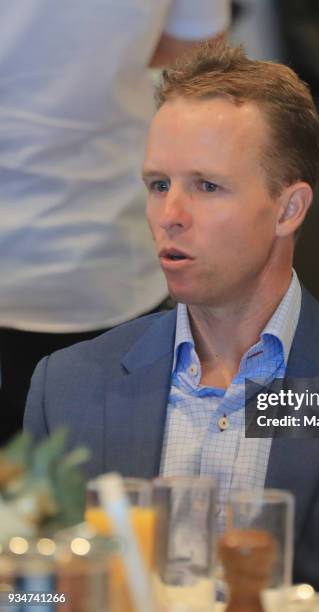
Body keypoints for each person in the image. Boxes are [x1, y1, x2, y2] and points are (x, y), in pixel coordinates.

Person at [24, 44, 319, 609]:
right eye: (158, 184)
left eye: (207, 186)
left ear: (289, 209)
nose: (170, 215)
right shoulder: (68, 388)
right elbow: (27, 598)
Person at [0, 0, 230, 444]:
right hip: (107, 255)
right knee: (113, 495)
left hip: (107, 258)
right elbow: (196, 50)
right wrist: (96, 64)